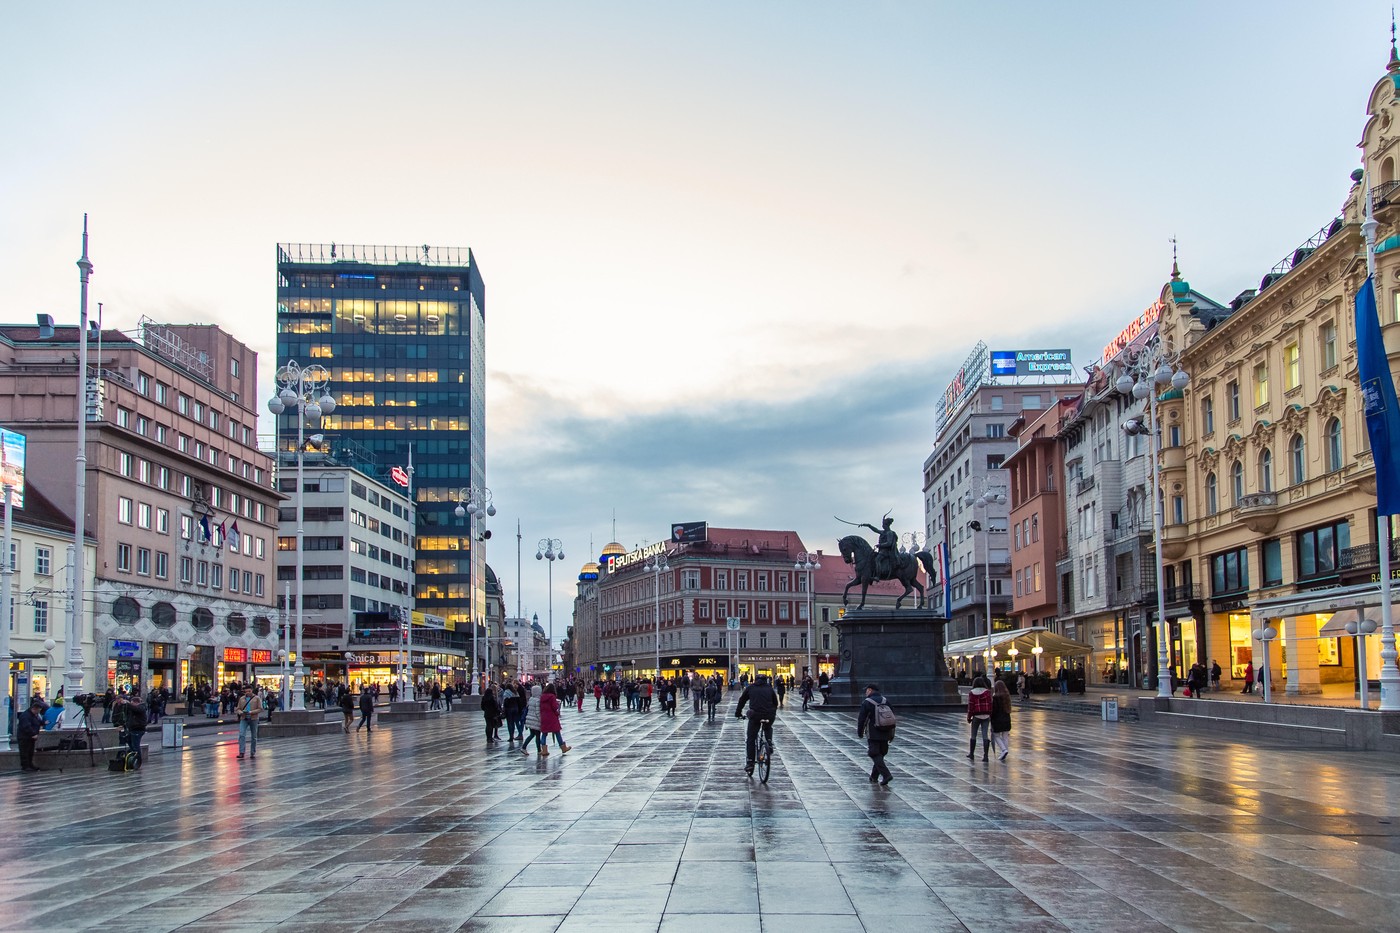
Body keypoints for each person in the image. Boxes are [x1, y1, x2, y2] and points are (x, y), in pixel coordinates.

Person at [734, 673, 779, 776]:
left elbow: (742, 700)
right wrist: (772, 711)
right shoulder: (769, 688)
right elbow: (775, 702)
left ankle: (750, 762)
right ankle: (769, 742)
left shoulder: (751, 688)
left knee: (751, 738)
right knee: (768, 726)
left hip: (755, 716)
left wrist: (738, 713)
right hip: (769, 715)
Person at [857, 684, 894, 786]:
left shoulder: (867, 702)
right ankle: (874, 776)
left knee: (874, 753)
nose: (865, 693)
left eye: (866, 691)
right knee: (880, 753)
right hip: (886, 731)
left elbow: (861, 719)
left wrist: (860, 732)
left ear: (870, 690)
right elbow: (891, 717)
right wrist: (891, 733)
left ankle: (886, 775)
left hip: (873, 732)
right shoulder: (885, 700)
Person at [966, 675, 992, 761]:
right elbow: (990, 704)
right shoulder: (987, 692)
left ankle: (972, 754)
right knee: (985, 735)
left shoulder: (972, 693)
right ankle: (986, 756)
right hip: (986, 715)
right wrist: (990, 714)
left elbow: (971, 706)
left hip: (976, 715)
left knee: (973, 734)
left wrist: (969, 717)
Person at [17, 696, 45, 772]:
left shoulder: (33, 715)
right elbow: (26, 726)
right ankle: (25, 766)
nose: (39, 712)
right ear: (34, 708)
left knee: (30, 752)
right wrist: (33, 734)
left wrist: (43, 723)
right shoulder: (26, 716)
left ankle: (30, 765)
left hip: (30, 738)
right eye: (38, 710)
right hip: (24, 737)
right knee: (25, 752)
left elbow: (36, 722)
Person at [540, 683, 570, 753]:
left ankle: (544, 750)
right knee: (557, 732)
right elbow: (554, 707)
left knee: (544, 733)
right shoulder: (552, 697)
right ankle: (563, 747)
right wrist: (557, 712)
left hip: (544, 716)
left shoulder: (542, 697)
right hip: (552, 717)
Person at [237, 685, 262, 759]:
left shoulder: (256, 698)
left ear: (252, 690)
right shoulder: (242, 699)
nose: (248, 693)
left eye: (249, 691)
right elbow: (238, 708)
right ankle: (241, 752)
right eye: (246, 691)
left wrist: (251, 712)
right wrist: (240, 712)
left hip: (253, 718)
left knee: (254, 736)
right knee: (241, 734)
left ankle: (252, 752)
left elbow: (260, 708)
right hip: (244, 718)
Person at [123, 692, 149, 765]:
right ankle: (133, 755)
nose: (131, 704)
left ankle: (138, 759)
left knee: (135, 745)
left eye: (132, 703)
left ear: (136, 702)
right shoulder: (133, 709)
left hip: (138, 729)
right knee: (129, 740)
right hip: (132, 728)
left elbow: (137, 709)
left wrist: (128, 703)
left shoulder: (141, 707)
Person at [990, 680, 1013, 761]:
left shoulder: (995, 698)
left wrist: (991, 718)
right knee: (1005, 736)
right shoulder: (1007, 696)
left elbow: (994, 710)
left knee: (996, 736)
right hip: (1006, 718)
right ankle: (1005, 751)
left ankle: (1004, 750)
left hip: (997, 719)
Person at [522, 684, 545, 756]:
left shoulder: (531, 699)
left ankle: (524, 747)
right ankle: (538, 750)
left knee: (532, 734)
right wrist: (541, 720)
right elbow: (538, 712)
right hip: (535, 721)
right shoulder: (538, 700)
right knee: (537, 735)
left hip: (530, 720)